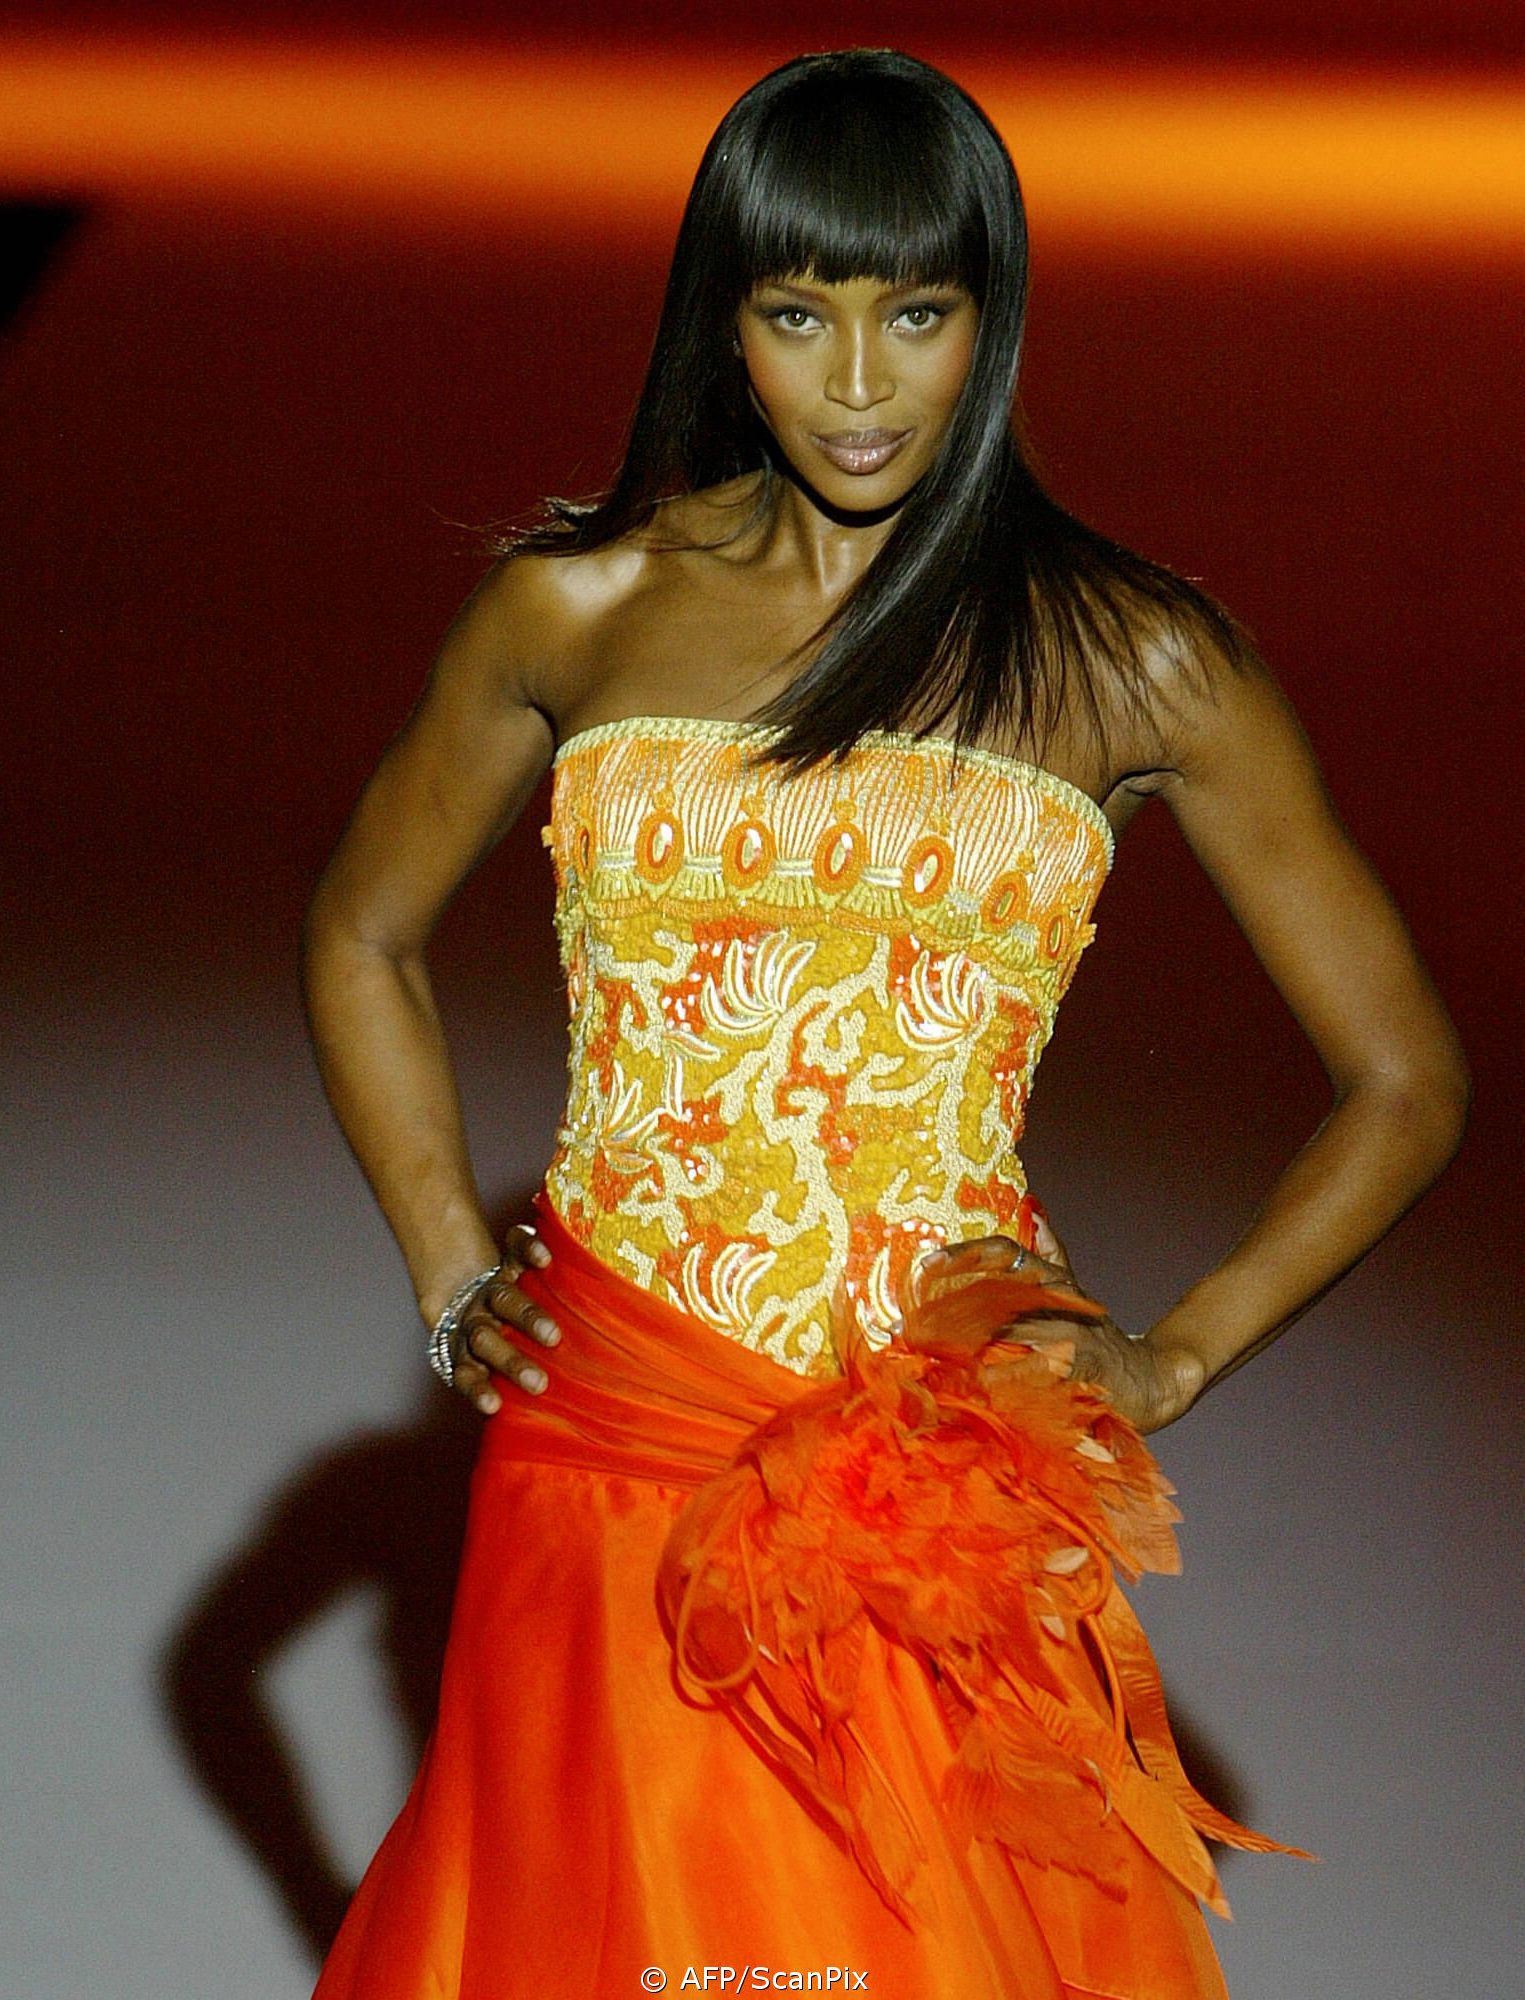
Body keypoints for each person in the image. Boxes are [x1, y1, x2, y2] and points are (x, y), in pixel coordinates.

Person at [300, 49, 1467, 2000]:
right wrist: (446, 1270)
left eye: (914, 315)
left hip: (928, 1465)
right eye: (798, 315)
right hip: (606, 1425)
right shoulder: (576, 610)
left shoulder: (1135, 657)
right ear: (722, 322)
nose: (857, 384)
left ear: (991, 320)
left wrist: (1176, 1355)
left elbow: (1405, 1080)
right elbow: (360, 931)